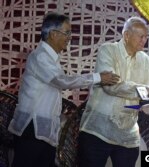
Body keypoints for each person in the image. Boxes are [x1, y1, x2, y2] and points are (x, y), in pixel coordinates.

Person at [8, 12, 120, 167]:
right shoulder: (40, 57)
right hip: (31, 127)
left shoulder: (51, 58)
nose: (69, 37)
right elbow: (61, 81)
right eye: (67, 32)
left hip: (43, 129)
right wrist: (97, 77)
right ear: (53, 34)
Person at [78, 16, 149, 167]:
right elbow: (110, 85)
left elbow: (145, 95)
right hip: (98, 129)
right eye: (141, 36)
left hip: (128, 134)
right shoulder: (108, 50)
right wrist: (143, 90)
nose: (144, 40)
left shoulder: (147, 61)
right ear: (126, 35)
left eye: (146, 37)